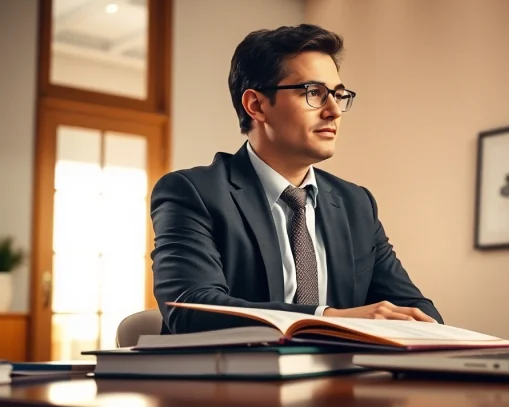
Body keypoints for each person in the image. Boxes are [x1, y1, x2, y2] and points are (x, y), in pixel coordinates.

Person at [150, 24, 443, 334]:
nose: (333, 111)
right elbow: (191, 309)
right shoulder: (193, 192)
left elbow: (416, 308)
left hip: (341, 377)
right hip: (229, 378)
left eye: (339, 95)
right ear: (257, 105)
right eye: (314, 93)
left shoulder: (356, 203)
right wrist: (327, 318)